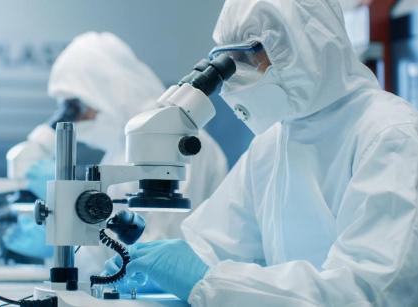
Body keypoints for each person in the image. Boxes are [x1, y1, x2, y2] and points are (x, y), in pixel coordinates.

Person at [108, 0, 418, 306]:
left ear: (307, 46)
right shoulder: (273, 142)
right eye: (232, 62)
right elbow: (214, 244)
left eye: (252, 58)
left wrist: (208, 280)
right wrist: (158, 266)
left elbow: (368, 291)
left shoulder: (389, 135)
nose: (239, 78)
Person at [3, 32, 228, 276]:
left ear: (107, 90)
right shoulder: (118, 152)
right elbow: (104, 255)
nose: (80, 119)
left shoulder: (175, 141)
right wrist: (62, 232)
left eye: (79, 107)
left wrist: (77, 209)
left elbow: (155, 245)